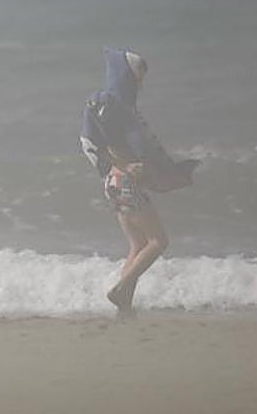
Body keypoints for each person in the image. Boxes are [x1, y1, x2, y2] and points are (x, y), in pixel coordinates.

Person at [80, 47, 199, 317]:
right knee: (158, 241)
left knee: (137, 244)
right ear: (126, 77)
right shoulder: (113, 106)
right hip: (125, 180)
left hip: (112, 182)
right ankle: (120, 289)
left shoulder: (106, 105)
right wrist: (132, 166)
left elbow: (98, 145)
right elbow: (105, 145)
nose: (141, 84)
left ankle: (125, 305)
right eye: (138, 78)